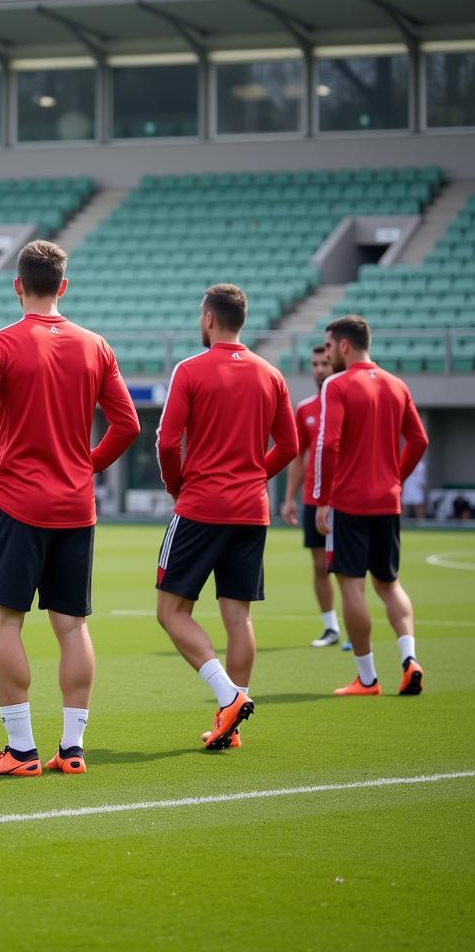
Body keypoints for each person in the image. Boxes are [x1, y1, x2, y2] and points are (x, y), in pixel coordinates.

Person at [0, 240, 140, 776]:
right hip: (76, 508)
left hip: (17, 504)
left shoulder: (1, 343)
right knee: (72, 625)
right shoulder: (95, 345)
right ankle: (73, 748)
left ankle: (21, 750)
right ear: (63, 286)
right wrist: (87, 466)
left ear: (18, 286)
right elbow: (127, 424)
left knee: (2, 622)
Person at [155, 284, 297, 751]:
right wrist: (257, 476)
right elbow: (290, 447)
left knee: (171, 611)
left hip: (201, 506)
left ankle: (228, 697)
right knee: (238, 616)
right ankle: (230, 719)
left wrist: (177, 485)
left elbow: (166, 441)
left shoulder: (191, 369)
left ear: (209, 318)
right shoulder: (270, 374)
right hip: (251, 510)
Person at [314, 314, 429, 697]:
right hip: (388, 502)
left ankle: (367, 678)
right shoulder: (397, 385)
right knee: (390, 584)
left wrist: (324, 499)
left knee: (352, 588)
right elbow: (419, 440)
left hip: (350, 501)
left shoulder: (338, 384)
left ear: (344, 345)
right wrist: (396, 477)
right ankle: (409, 659)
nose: (328, 355)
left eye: (329, 347)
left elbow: (328, 444)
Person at [280, 344, 341, 647]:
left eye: (324, 364)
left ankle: (356, 623)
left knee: (349, 567)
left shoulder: (347, 402)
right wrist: (290, 496)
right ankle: (331, 626)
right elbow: (297, 457)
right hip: (312, 500)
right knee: (319, 565)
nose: (319, 369)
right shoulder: (305, 408)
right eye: (315, 364)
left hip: (344, 499)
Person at [402, 455, 427, 519]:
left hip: (417, 489)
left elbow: (422, 478)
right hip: (407, 489)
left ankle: (421, 525)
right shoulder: (406, 463)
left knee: (419, 508)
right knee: (404, 509)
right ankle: (403, 524)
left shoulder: (421, 465)